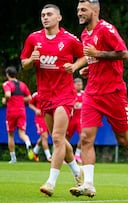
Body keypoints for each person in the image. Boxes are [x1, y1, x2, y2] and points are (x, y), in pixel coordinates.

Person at [69, 0, 128, 197]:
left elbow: (124, 54)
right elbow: (96, 59)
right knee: (86, 138)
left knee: (123, 138)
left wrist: (97, 54)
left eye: (83, 10)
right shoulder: (84, 34)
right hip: (92, 93)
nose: (79, 13)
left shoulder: (107, 29)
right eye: (78, 10)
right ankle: (89, 184)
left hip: (114, 93)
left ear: (94, 11)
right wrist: (91, 67)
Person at [20, 4, 87, 196]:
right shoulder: (34, 38)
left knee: (57, 137)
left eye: (49, 14)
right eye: (42, 15)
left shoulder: (69, 39)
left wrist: (74, 66)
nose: (45, 17)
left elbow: (84, 56)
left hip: (65, 96)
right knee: (57, 138)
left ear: (59, 18)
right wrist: (30, 60)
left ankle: (51, 182)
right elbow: (24, 63)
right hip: (44, 96)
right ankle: (76, 170)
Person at [2, 66, 33, 164]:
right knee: (22, 134)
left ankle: (13, 158)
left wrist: (5, 100)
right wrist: (20, 99)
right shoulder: (22, 84)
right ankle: (28, 143)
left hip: (11, 112)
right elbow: (29, 97)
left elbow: (8, 95)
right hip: (21, 111)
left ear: (7, 74)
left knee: (10, 135)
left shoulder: (7, 84)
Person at [29, 91, 52, 162]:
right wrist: (36, 109)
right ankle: (49, 157)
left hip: (48, 117)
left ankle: (35, 152)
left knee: (43, 137)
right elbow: (30, 104)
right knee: (45, 137)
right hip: (40, 118)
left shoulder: (50, 92)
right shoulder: (36, 94)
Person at [66, 77, 84, 164]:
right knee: (66, 138)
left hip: (80, 119)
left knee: (83, 136)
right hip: (71, 119)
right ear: (74, 85)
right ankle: (65, 156)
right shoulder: (70, 94)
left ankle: (77, 154)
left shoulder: (84, 94)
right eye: (78, 85)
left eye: (81, 84)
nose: (80, 86)